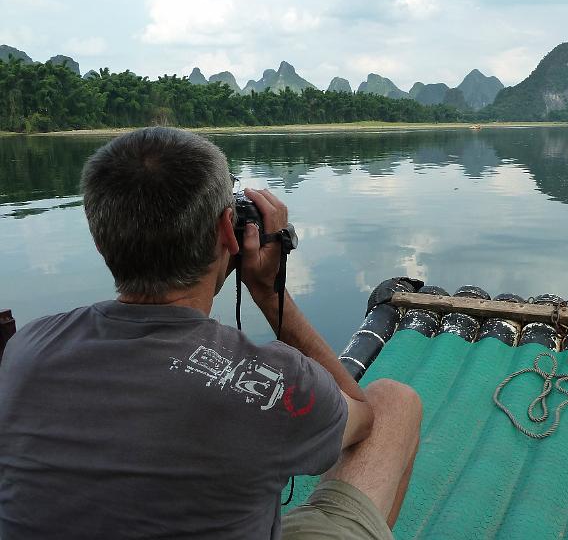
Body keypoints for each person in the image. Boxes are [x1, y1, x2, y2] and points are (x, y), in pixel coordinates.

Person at [0, 127, 422, 539]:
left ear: (99, 238)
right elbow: (361, 415)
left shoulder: (27, 349)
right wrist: (269, 292)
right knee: (392, 402)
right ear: (228, 230)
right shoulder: (273, 383)